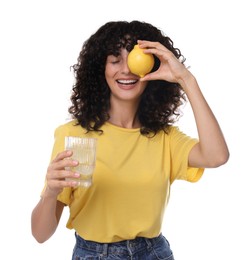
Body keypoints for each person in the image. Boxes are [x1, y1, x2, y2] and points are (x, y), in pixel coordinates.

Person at [31, 20, 229, 259]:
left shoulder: (165, 138)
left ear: (151, 67)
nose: (126, 70)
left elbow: (217, 156)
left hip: (155, 252)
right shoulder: (73, 135)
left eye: (134, 59)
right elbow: (40, 235)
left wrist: (186, 79)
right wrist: (51, 192)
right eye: (115, 60)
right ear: (100, 69)